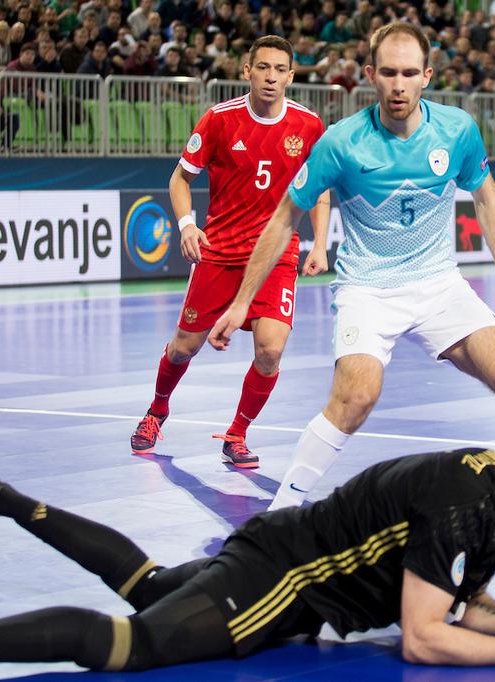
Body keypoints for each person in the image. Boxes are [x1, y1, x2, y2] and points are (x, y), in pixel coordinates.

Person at [209, 22, 495, 509]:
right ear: (370, 75)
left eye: (410, 73)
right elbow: (283, 219)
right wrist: (242, 301)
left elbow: (487, 198)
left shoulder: (457, 130)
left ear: (427, 76)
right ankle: (279, 517)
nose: (399, 85)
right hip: (368, 290)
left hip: (439, 284)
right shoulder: (341, 142)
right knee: (355, 398)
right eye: (389, 73)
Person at [0, 448, 495, 680]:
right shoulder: (462, 513)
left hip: (276, 544)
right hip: (282, 580)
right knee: (134, 644)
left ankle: (2, 497)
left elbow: (462, 603)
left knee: (151, 585)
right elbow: (424, 637)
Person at [129, 35, 330, 469]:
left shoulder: (309, 125)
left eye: (280, 69)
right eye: (263, 68)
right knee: (184, 347)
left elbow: (321, 187)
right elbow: (180, 179)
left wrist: (321, 242)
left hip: (278, 253)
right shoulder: (220, 120)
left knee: (271, 349)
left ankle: (237, 433)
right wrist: (187, 225)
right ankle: (157, 410)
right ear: (247, 71)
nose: (271, 77)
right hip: (220, 252)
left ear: (292, 76)